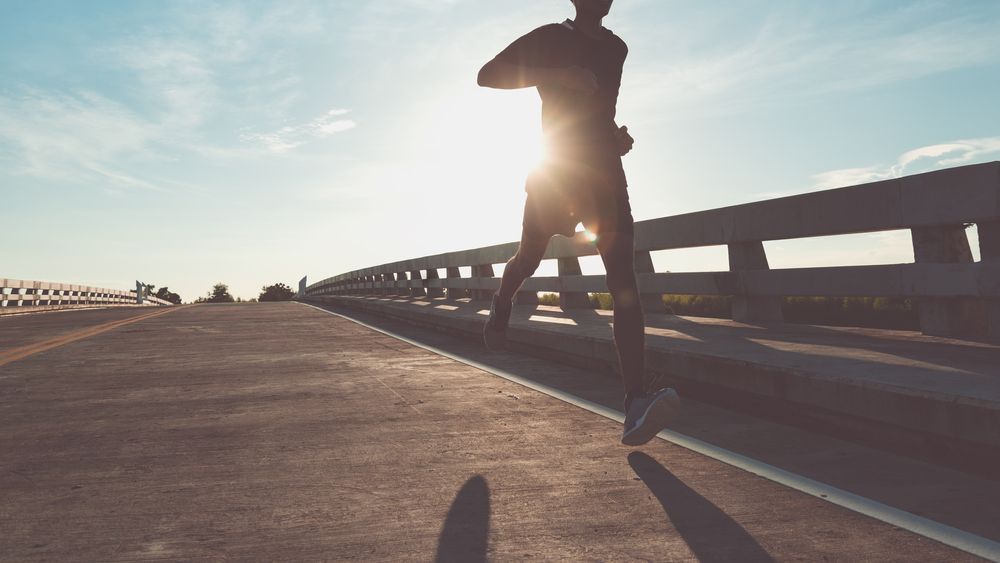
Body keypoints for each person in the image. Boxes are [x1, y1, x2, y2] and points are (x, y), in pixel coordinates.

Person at [477, 0, 679, 446]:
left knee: (623, 278)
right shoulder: (550, 38)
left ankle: (634, 400)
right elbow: (486, 74)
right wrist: (554, 75)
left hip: (604, 175)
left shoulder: (617, 49)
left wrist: (615, 137)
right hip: (556, 171)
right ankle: (503, 301)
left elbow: (598, 114)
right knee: (528, 256)